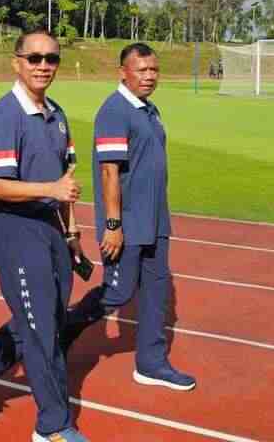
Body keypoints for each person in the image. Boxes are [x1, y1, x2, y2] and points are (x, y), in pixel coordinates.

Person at [0, 29, 89, 442]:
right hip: (17, 230)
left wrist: (72, 235)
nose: (43, 66)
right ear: (17, 62)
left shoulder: (58, 114)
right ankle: (53, 425)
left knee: (44, 318)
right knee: (42, 330)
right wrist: (50, 190)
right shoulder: (6, 114)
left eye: (51, 59)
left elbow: (65, 180)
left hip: (52, 229)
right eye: (34, 58)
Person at [59, 43, 196, 391]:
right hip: (127, 222)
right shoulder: (114, 111)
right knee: (118, 293)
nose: (149, 76)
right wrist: (113, 225)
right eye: (141, 70)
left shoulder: (150, 110)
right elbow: (109, 173)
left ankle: (151, 363)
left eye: (153, 70)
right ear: (123, 72)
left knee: (156, 290)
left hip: (155, 220)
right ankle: (59, 335)